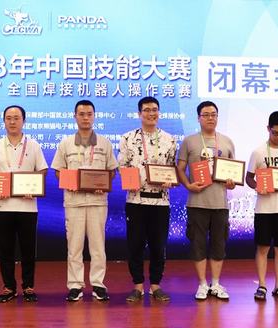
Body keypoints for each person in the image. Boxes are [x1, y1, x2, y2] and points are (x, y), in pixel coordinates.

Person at [51, 100, 118, 302]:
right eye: (81, 114)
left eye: (89, 114)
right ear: (75, 117)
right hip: (74, 202)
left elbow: (111, 170)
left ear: (94, 116)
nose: (86, 118)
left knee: (98, 247)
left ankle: (98, 284)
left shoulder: (104, 143)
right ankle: (75, 285)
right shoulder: (65, 143)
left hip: (98, 201)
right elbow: (58, 170)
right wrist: (68, 182)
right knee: (74, 246)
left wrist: (103, 184)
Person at [0, 105, 48, 303]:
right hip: (2, 206)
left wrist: (34, 187)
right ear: (4, 121)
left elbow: (42, 170)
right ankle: (9, 287)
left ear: (24, 121)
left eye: (16, 118)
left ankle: (28, 286)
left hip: (27, 206)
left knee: (28, 249)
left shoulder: (34, 145)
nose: (12, 121)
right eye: (8, 118)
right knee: (5, 249)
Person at [118, 97, 176, 302]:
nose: (151, 113)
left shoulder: (170, 139)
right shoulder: (128, 138)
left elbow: (172, 168)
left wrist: (169, 180)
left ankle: (155, 285)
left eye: (154, 110)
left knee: (158, 245)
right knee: (135, 244)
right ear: (139, 114)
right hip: (136, 201)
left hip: (161, 202)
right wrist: (130, 181)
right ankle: (137, 286)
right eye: (147, 110)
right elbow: (122, 166)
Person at [177, 101, 236, 300]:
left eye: (214, 114)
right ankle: (202, 284)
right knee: (198, 244)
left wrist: (231, 183)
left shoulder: (227, 142)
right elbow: (180, 168)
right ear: (198, 118)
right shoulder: (189, 141)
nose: (210, 118)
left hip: (220, 203)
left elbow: (233, 174)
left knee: (219, 244)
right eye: (206, 114)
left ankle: (216, 283)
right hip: (197, 202)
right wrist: (188, 185)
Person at [245, 111, 278, 301]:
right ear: (268, 129)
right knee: (263, 248)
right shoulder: (258, 152)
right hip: (264, 209)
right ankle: (261, 285)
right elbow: (249, 178)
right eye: (275, 133)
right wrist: (257, 186)